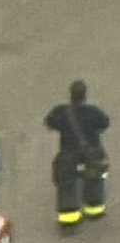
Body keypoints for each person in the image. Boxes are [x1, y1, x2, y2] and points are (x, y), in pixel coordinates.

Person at [45, 79, 110, 226]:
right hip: (92, 153)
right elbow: (105, 123)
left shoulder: (61, 112)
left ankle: (68, 215)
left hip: (69, 154)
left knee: (65, 180)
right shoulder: (94, 112)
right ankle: (95, 208)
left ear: (71, 95)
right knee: (96, 177)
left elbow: (50, 122)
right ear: (85, 95)